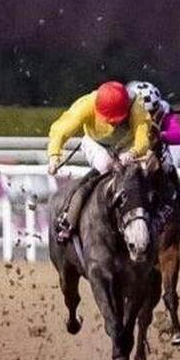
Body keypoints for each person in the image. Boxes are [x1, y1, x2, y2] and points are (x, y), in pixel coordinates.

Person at [48, 80, 151, 242]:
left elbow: (142, 139)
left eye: (116, 119)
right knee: (105, 165)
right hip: (96, 143)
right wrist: (54, 156)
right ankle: (69, 219)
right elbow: (61, 130)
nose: (112, 123)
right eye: (108, 119)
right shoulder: (87, 104)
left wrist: (134, 152)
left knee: (140, 173)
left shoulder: (136, 106)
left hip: (127, 146)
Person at [125, 80, 180, 236]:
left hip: (157, 153)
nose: (149, 117)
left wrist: (161, 135)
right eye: (145, 112)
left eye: (152, 112)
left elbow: (179, 135)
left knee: (168, 168)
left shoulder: (165, 111)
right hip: (129, 152)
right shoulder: (125, 113)